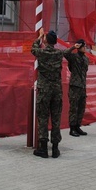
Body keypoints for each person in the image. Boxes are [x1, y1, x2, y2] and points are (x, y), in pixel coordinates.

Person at [31, 28, 64, 158]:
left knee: (43, 118)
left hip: (44, 90)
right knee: (56, 119)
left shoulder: (42, 52)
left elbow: (33, 48)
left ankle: (43, 148)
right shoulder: (59, 54)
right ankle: (55, 149)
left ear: (45, 40)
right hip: (56, 91)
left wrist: (39, 37)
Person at [64, 39, 89, 137]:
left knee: (81, 107)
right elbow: (65, 53)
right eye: (83, 46)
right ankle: (72, 128)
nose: (85, 48)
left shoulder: (86, 59)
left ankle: (78, 126)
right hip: (75, 86)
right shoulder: (74, 57)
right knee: (74, 108)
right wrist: (74, 47)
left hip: (82, 86)